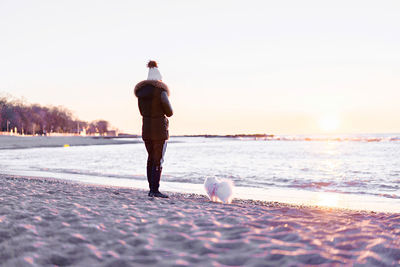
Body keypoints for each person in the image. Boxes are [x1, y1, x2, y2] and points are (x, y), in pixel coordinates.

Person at [134, 60, 173, 198]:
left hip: (146, 130)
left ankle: (151, 188)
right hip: (159, 132)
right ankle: (154, 190)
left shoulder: (141, 94)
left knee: (151, 158)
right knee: (158, 160)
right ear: (159, 79)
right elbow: (169, 112)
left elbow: (141, 112)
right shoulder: (161, 91)